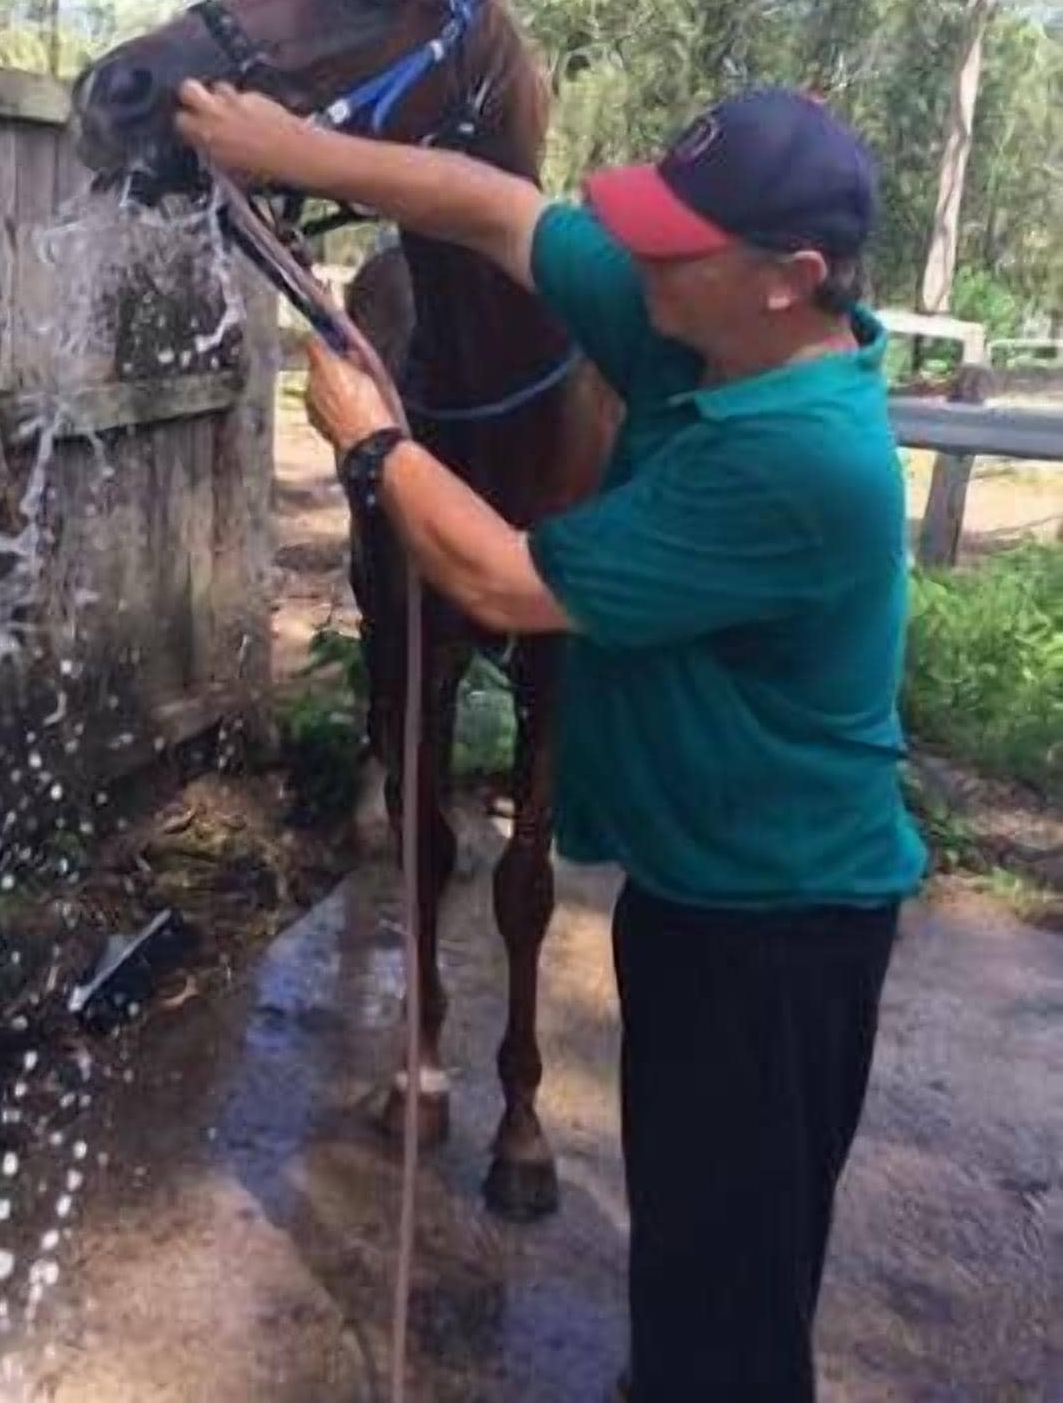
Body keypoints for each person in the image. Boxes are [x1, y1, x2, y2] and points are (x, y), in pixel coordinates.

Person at [175, 77, 926, 1403]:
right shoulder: (705, 340)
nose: (637, 255)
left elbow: (514, 586)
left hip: (776, 938)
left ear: (787, 276)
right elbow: (497, 210)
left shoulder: (800, 461)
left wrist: (377, 452)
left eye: (672, 243)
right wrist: (286, 149)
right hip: (702, 900)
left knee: (728, 1321)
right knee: (694, 1268)